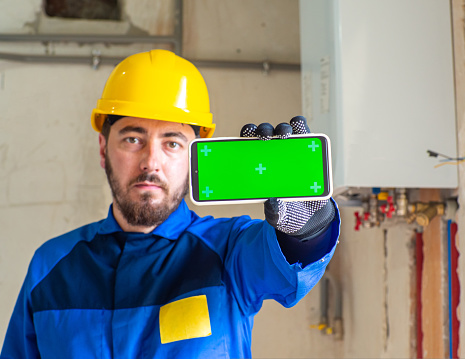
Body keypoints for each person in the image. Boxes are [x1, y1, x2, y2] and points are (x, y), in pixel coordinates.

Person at [1, 49, 340, 359]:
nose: (151, 161)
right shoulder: (50, 265)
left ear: (196, 154)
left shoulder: (229, 251)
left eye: (172, 143)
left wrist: (307, 226)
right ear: (103, 147)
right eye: (133, 139)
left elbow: (290, 259)